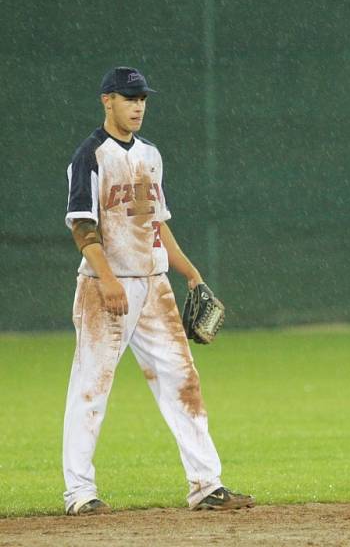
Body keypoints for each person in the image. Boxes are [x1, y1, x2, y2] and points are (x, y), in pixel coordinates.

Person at [63, 66, 253, 515]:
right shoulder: (90, 156)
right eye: (129, 98)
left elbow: (156, 225)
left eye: (142, 98)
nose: (138, 106)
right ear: (106, 100)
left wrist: (191, 274)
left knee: (183, 381)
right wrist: (108, 279)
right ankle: (79, 493)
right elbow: (83, 227)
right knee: (91, 387)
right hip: (104, 289)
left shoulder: (150, 154)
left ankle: (207, 485)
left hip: (155, 286)